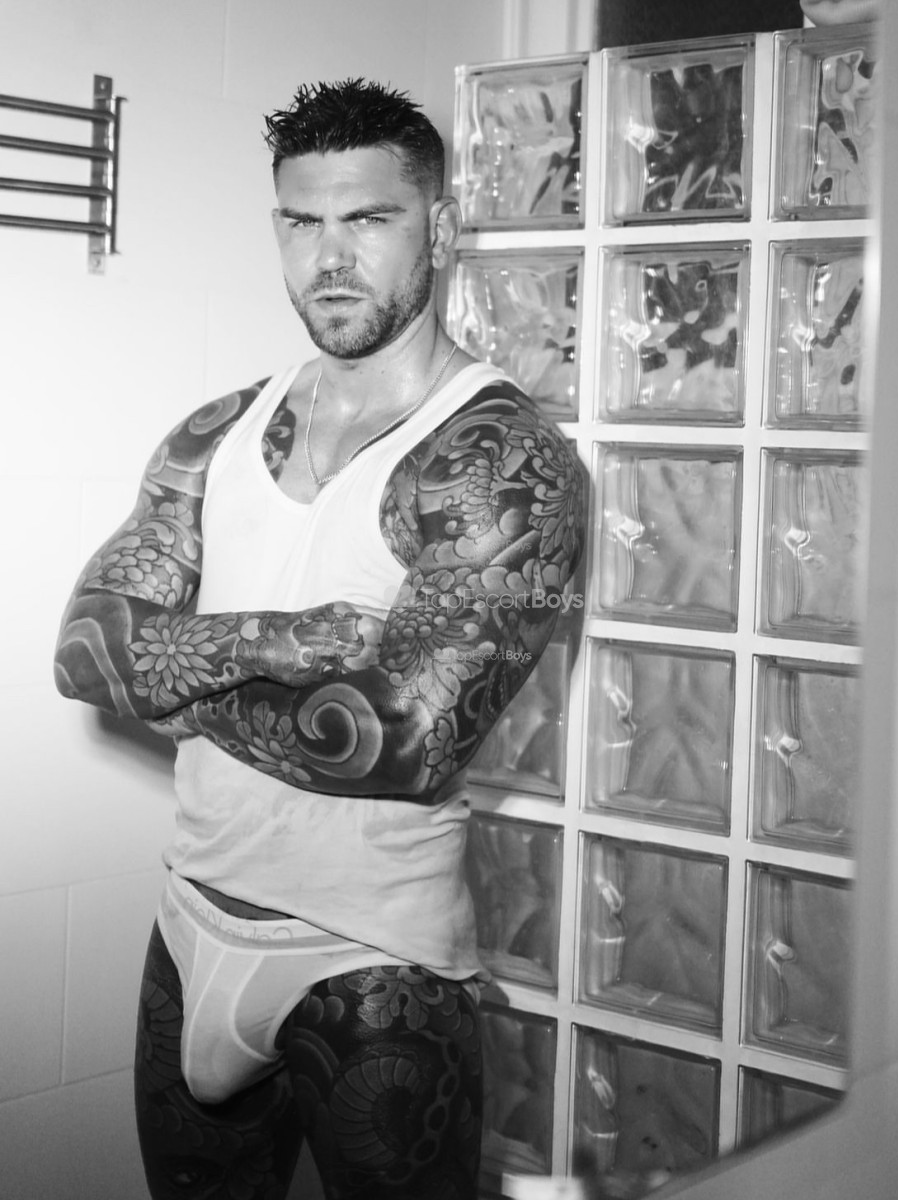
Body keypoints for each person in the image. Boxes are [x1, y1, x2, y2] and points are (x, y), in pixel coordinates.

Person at [53, 78, 585, 1200]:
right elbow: (85, 653)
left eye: (368, 218)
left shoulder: (497, 459)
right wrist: (278, 639)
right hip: (190, 920)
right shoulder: (216, 432)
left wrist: (177, 675)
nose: (329, 258)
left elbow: (406, 745)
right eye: (302, 222)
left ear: (439, 227)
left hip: (371, 961)